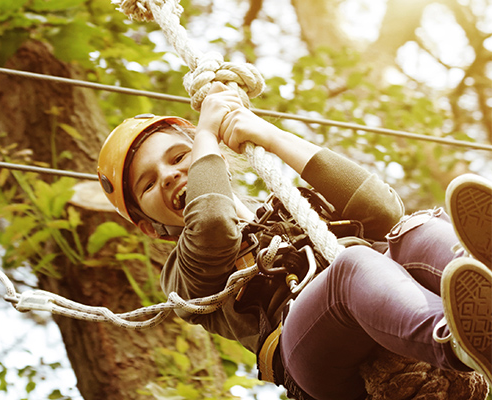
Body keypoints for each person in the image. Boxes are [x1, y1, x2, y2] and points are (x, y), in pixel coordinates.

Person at [96, 82, 492, 400]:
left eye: (179, 156)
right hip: (314, 358)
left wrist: (268, 135)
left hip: (379, 306)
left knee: (415, 229)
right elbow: (214, 223)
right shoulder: (184, 275)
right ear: (149, 226)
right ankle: (456, 339)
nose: (168, 175)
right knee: (353, 264)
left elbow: (383, 210)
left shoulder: (291, 207)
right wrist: (204, 133)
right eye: (149, 183)